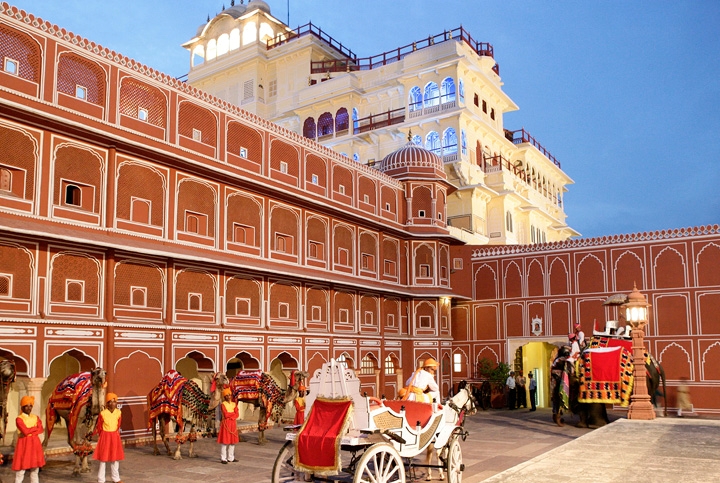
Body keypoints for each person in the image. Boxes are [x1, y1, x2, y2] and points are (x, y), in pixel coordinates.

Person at [92, 392, 124, 483]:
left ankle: (116, 478)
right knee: (103, 459)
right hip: (105, 437)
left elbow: (118, 425)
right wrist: (103, 436)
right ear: (107, 403)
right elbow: (99, 427)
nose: (113, 403)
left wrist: (114, 434)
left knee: (115, 458)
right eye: (111, 401)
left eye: (114, 401)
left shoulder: (118, 412)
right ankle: (101, 479)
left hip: (114, 436)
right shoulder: (103, 413)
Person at [12, 395, 46, 483]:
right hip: (24, 444)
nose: (29, 408)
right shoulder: (19, 419)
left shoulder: (36, 417)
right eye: (26, 405)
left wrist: (30, 430)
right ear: (22, 407)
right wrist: (34, 428)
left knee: (35, 470)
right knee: (21, 470)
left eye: (30, 405)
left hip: (35, 444)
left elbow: (41, 429)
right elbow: (25, 431)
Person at [218, 388, 239, 463]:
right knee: (225, 442)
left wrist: (232, 415)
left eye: (229, 395)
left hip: (233, 424)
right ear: (224, 397)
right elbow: (226, 414)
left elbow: (237, 414)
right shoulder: (223, 404)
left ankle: (231, 457)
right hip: (226, 424)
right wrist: (232, 414)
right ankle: (223, 458)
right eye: (227, 395)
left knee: (232, 442)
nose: (228, 396)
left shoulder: (234, 404)